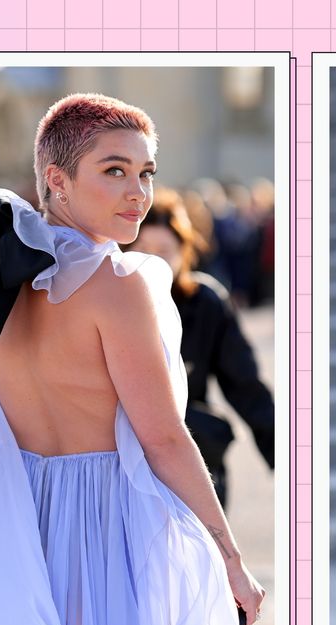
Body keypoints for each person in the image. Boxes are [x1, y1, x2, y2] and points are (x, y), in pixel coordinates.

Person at [0, 93, 266, 625]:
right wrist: (232, 560)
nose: (138, 193)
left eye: (146, 173)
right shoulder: (118, 290)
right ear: (57, 178)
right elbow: (165, 438)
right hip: (103, 522)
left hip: (13, 521)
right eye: (114, 170)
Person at [131, 188, 275, 508]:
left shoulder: (206, 302)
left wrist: (283, 455)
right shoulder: (108, 304)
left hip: (192, 456)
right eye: (143, 250)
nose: (153, 262)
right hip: (125, 463)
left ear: (185, 252)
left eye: (164, 251)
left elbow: (245, 384)